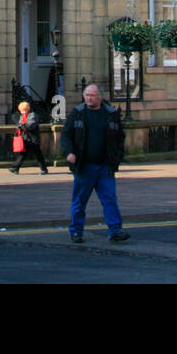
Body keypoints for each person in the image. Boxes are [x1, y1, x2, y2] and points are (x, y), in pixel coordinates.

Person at [61, 84, 129, 244]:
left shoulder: (111, 114)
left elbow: (120, 137)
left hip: (105, 166)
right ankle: (76, 231)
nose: (89, 98)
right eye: (87, 95)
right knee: (79, 201)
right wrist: (69, 153)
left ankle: (115, 230)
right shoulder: (77, 113)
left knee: (110, 199)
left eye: (92, 95)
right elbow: (66, 135)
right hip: (84, 166)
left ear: (100, 97)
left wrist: (117, 157)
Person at [11, 99, 49, 174]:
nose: (21, 112)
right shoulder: (22, 116)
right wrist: (19, 127)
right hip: (26, 138)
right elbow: (20, 124)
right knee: (23, 154)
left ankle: (43, 169)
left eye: (22, 110)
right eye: (20, 110)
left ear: (26, 109)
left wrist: (22, 126)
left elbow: (31, 125)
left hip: (33, 138)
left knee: (38, 154)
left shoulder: (33, 115)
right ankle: (15, 168)